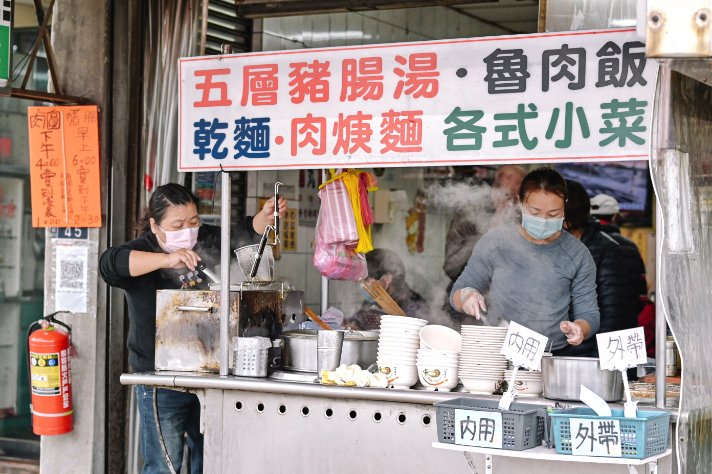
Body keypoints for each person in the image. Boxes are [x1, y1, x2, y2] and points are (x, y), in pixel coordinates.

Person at [99, 183, 286, 474]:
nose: (188, 229)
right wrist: (167, 259)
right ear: (155, 225)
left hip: (209, 372)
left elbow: (243, 233)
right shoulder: (141, 251)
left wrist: (264, 216)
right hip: (160, 377)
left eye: (194, 221)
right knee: (164, 464)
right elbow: (109, 264)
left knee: (208, 459)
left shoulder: (205, 239)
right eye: (178, 224)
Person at [450, 168, 600, 354]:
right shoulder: (496, 241)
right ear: (521, 203)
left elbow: (589, 313)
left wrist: (580, 328)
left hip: (551, 355)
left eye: (553, 214)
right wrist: (466, 296)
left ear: (564, 206)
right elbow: (457, 293)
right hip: (498, 352)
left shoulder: (577, 253)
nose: (544, 220)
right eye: (535, 212)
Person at [564, 180, 640, 356]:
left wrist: (597, 365)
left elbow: (616, 315)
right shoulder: (557, 250)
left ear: (566, 219)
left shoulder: (607, 250)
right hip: (562, 356)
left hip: (590, 358)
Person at [443, 165, 526, 285]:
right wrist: (487, 234)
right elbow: (451, 267)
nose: (512, 204)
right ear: (495, 189)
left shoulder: (525, 220)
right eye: (508, 195)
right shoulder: (470, 214)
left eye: (518, 199)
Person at [590, 193, 648, 315]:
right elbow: (641, 294)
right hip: (624, 322)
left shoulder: (582, 243)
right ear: (615, 217)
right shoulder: (630, 246)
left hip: (588, 324)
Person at [345, 248, 428, 330]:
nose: (363, 285)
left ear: (388, 278)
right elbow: (355, 322)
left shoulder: (415, 305)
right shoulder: (372, 301)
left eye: (366, 280)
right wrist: (351, 326)